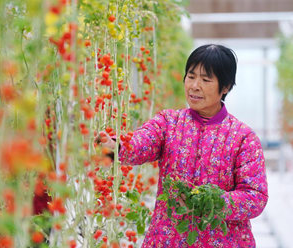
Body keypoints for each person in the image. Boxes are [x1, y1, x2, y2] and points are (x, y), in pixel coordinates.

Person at [99, 44, 268, 247]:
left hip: (223, 242)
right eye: (191, 76)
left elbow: (255, 196)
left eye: (206, 80)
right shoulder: (169, 122)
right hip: (168, 239)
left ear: (225, 87)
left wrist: (210, 204)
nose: (195, 86)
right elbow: (141, 142)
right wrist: (114, 147)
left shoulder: (243, 138)